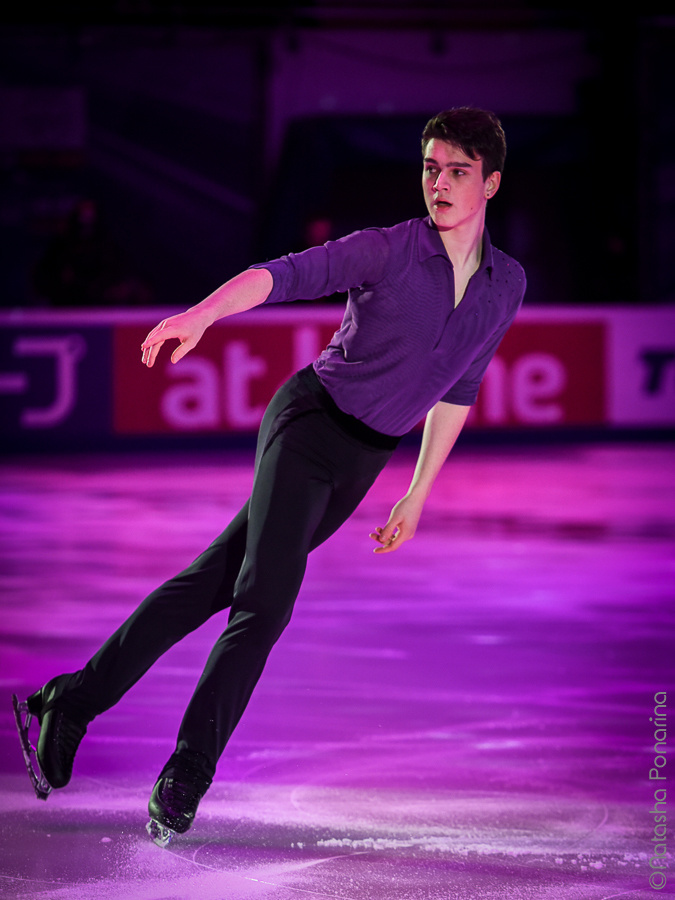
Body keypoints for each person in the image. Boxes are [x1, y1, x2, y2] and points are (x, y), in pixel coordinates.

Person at [13, 107, 526, 846]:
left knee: (212, 583)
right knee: (265, 603)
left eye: (456, 171)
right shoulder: (385, 250)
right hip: (308, 426)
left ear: (491, 183)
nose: (438, 184)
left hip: (363, 460)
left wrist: (417, 492)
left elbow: (459, 388)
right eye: (429, 168)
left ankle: (71, 699)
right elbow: (283, 275)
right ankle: (188, 771)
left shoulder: (505, 285)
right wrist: (203, 315)